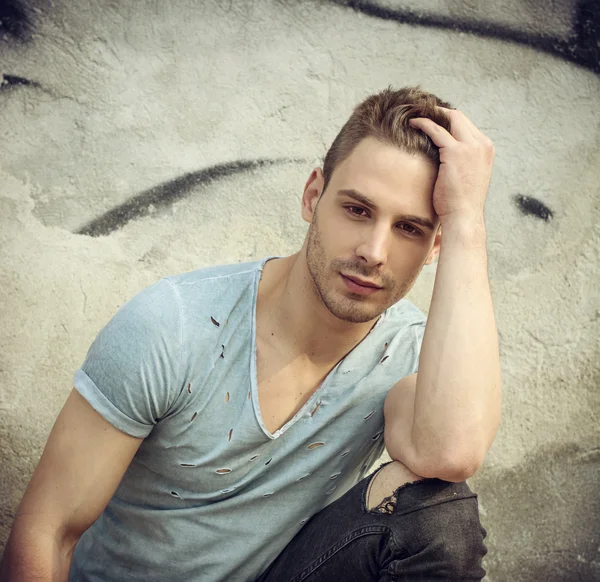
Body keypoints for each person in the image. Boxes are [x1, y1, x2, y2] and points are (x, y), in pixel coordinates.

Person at [0, 86, 502, 582]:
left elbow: (450, 453)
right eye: (357, 210)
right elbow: (48, 530)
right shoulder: (173, 325)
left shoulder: (410, 351)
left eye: (408, 229)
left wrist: (467, 222)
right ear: (313, 196)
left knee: (439, 514)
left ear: (435, 247)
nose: (374, 250)